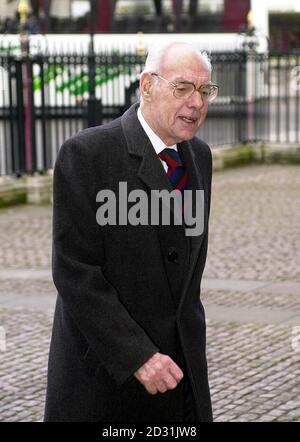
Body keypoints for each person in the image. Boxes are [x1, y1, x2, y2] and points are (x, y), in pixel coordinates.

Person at [44, 41, 218, 422]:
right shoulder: (87, 155)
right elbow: (75, 273)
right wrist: (137, 355)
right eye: (183, 87)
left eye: (205, 91)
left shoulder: (199, 157)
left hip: (181, 377)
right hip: (106, 383)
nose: (197, 102)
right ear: (146, 86)